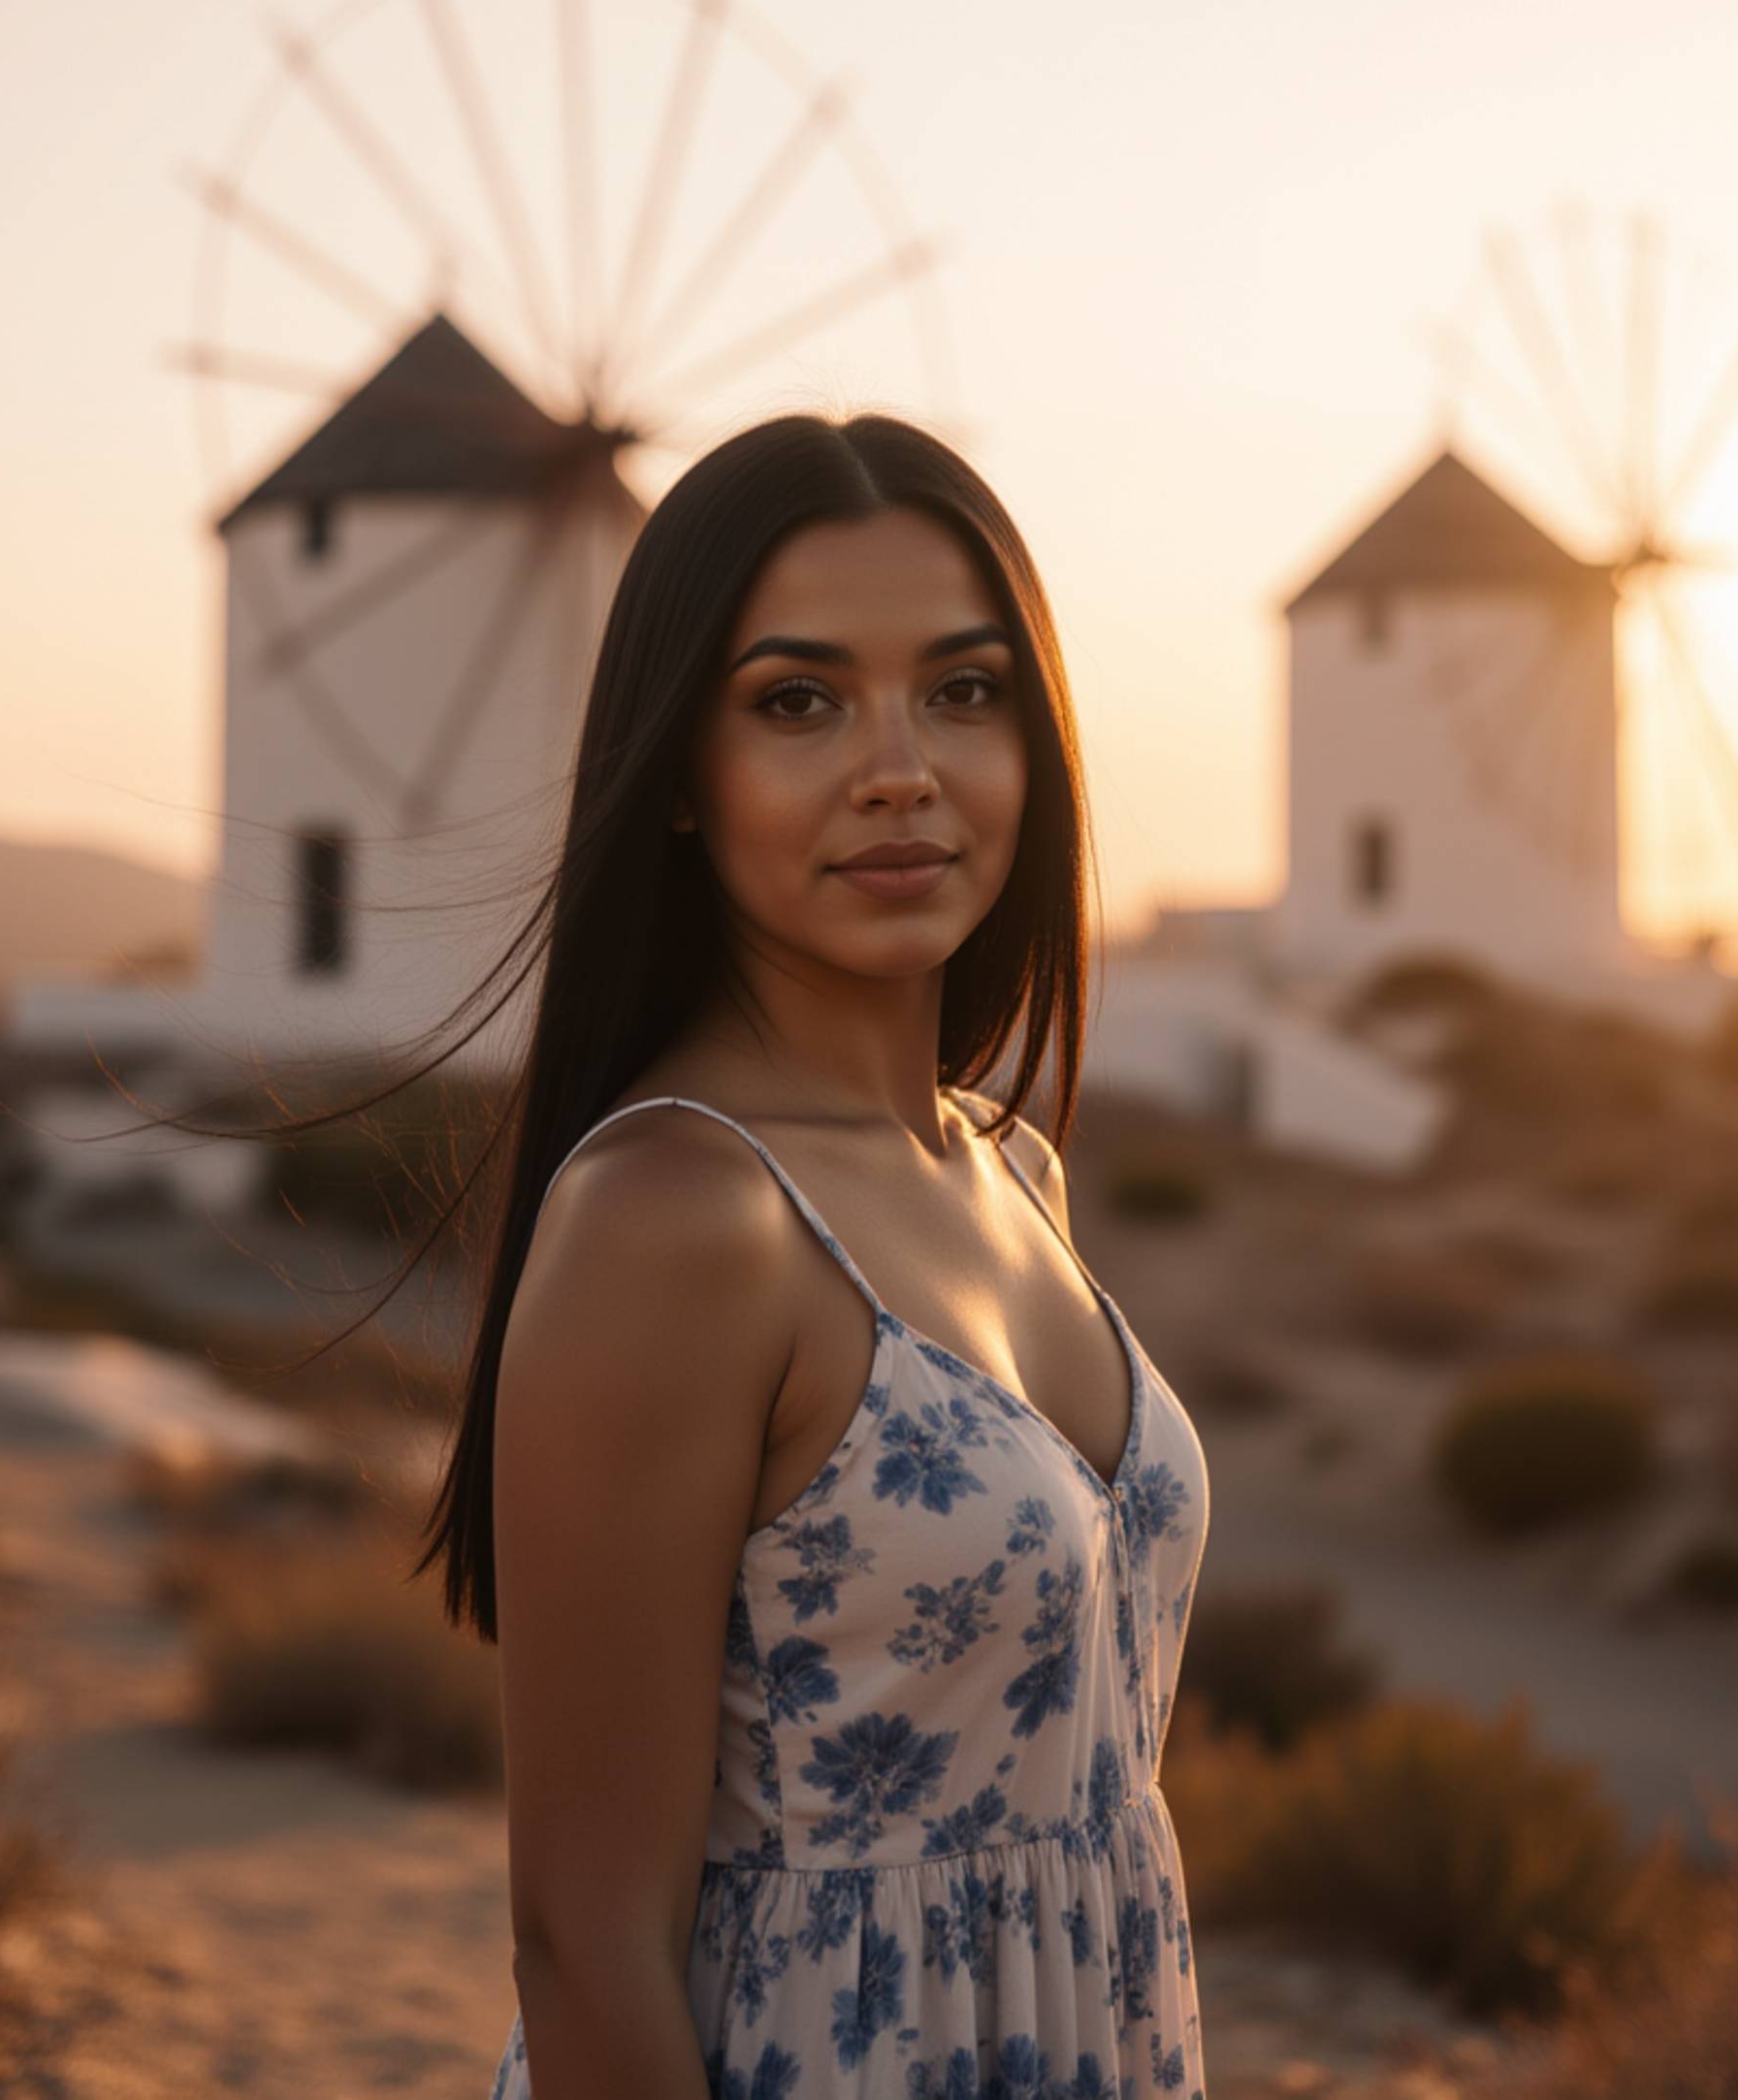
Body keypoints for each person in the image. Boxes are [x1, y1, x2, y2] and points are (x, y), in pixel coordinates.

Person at [462, 412, 1211, 2099]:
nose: (901, 767)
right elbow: (587, 1947)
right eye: (799, 701)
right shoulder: (677, 1220)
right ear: (675, 775)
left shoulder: (1011, 1169)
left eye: (964, 690)